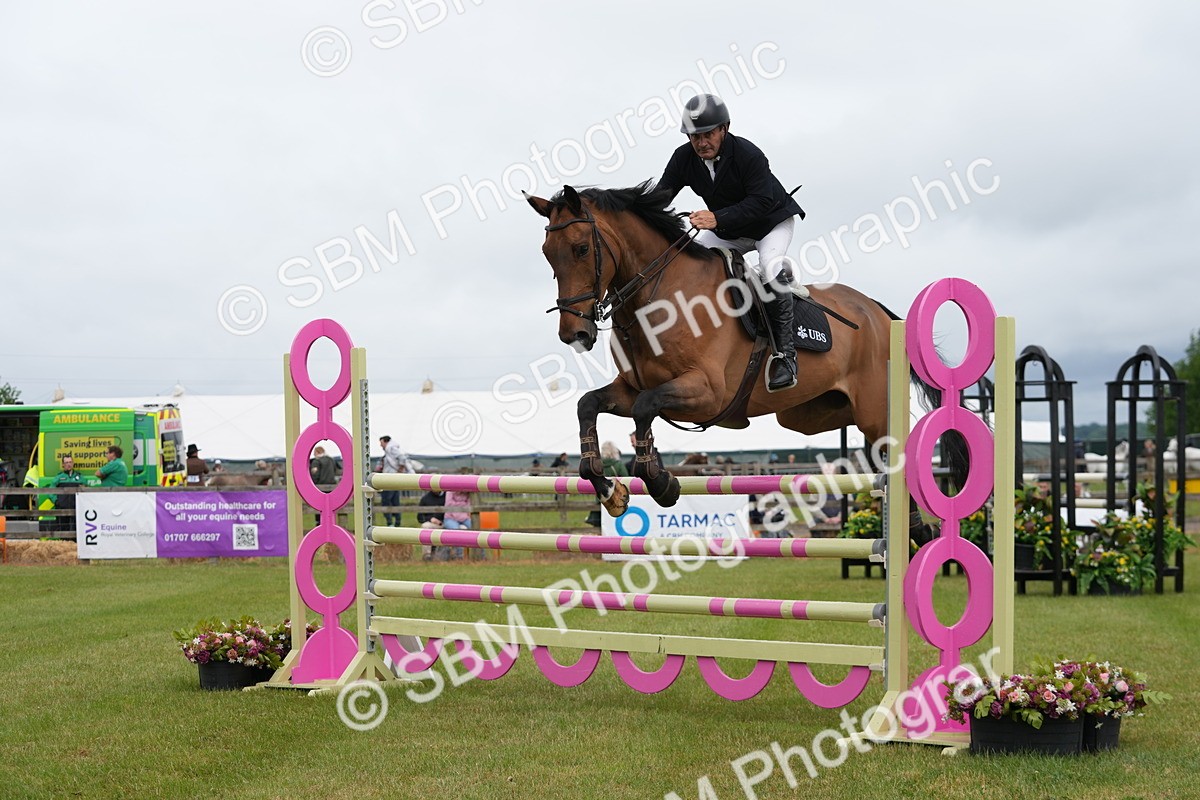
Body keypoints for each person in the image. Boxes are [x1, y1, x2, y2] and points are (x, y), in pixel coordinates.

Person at [657, 93, 805, 393]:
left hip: (769, 224)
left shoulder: (749, 155)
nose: (701, 143)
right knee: (692, 263)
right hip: (729, 231)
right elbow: (660, 198)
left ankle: (785, 358)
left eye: (708, 134)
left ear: (724, 128)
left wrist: (716, 218)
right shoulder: (683, 158)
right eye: (694, 137)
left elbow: (762, 202)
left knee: (771, 268)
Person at [51, 455, 87, 532]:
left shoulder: (79, 477)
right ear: (63, 464)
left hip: (76, 507)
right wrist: (56, 501)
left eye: (70, 462)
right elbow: (50, 491)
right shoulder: (59, 477)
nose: (68, 464)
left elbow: (86, 488)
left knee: (77, 529)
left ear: (73, 463)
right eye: (66, 462)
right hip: (62, 508)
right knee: (63, 529)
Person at [378, 435, 406, 527]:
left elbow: (402, 458)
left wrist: (400, 470)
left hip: (389, 480)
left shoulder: (390, 450)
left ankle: (390, 523)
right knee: (395, 502)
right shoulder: (388, 454)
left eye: (381, 443)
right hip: (394, 480)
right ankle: (397, 523)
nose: (381, 445)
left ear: (386, 442)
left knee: (386, 501)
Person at [417, 489, 446, 561]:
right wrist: (431, 519)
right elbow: (419, 517)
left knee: (461, 527)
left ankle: (458, 555)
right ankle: (427, 555)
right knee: (425, 526)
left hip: (448, 521)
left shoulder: (447, 496)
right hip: (433, 523)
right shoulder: (425, 498)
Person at [443, 489, 471, 560]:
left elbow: (469, 505)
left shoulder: (468, 492)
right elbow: (448, 505)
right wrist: (462, 504)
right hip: (450, 518)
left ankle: (481, 556)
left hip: (464, 517)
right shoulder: (449, 491)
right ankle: (459, 556)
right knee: (457, 530)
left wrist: (456, 504)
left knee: (476, 528)